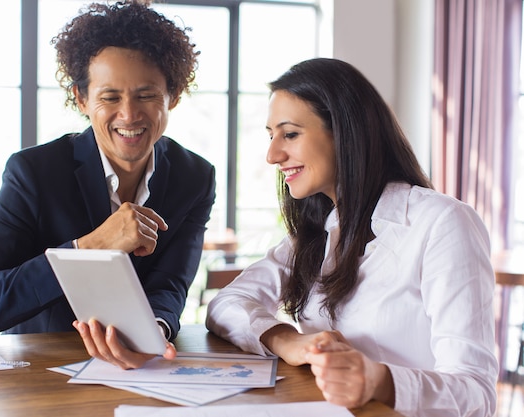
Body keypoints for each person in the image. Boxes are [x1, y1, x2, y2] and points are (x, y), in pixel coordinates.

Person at [206, 58, 497, 416]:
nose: (272, 155)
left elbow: (477, 394)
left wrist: (379, 381)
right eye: (271, 136)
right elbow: (227, 304)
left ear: (344, 132)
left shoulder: (441, 224)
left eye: (290, 134)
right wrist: (287, 340)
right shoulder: (318, 232)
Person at [0, 0, 215, 370]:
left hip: (143, 372)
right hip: (41, 376)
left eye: (146, 95)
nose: (129, 114)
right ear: (82, 99)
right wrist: (88, 247)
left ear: (174, 96)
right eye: (110, 97)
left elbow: (171, 284)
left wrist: (151, 332)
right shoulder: (34, 173)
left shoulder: (195, 176)